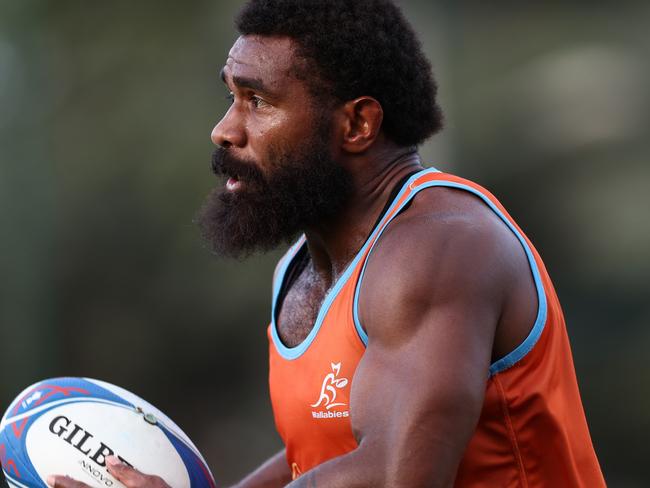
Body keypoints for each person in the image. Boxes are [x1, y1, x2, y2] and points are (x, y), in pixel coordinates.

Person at [49, 0, 606, 487]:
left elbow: (398, 476)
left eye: (257, 101)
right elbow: (325, 456)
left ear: (358, 124)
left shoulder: (442, 248)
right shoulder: (300, 269)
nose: (225, 129)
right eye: (231, 95)